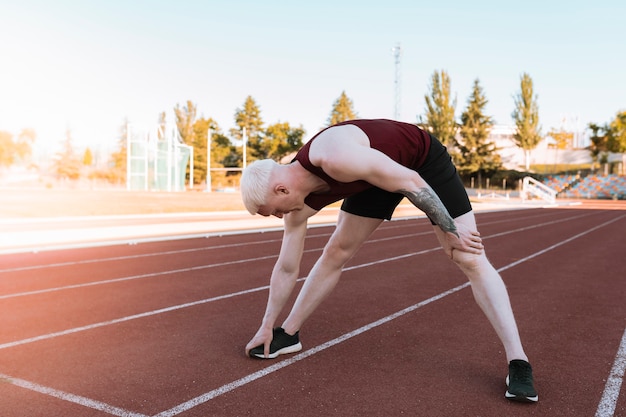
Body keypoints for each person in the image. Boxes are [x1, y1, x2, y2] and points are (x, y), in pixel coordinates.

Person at [240, 119, 538, 402]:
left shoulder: (335, 157)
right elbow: (287, 267)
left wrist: (450, 228)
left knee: (467, 255)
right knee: (336, 251)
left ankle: (518, 362)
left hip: (419, 163)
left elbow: (410, 180)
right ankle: (288, 333)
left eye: (274, 211)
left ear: (281, 190)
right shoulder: (297, 205)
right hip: (372, 179)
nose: (279, 217)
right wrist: (267, 324)